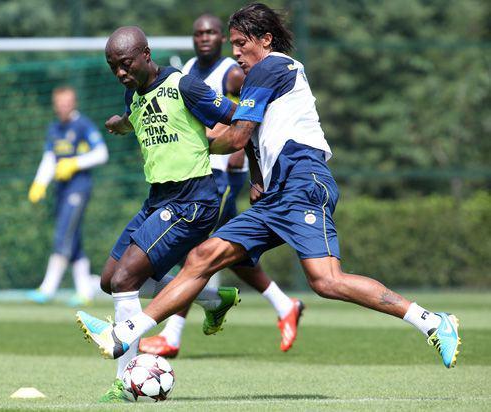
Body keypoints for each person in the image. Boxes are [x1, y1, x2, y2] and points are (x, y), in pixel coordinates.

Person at [78, 4, 461, 370]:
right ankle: (126, 333)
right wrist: (258, 177)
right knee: (202, 258)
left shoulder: (270, 67)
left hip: (304, 183)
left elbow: (238, 135)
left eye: (241, 43)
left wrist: (185, 143)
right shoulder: (261, 74)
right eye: (233, 44)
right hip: (278, 193)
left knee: (326, 281)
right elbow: (252, 135)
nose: (235, 53)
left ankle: (431, 321)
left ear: (265, 40)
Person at [76, 26, 242, 402]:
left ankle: (124, 385)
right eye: (113, 67)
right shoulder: (133, 92)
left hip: (192, 200)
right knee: (109, 280)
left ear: (146, 55)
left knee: (126, 280)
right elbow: (138, 116)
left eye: (125, 64)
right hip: (158, 199)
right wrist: (122, 123)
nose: (120, 72)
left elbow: (236, 116)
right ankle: (213, 299)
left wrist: (245, 160)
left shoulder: (185, 85)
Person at [139, 13, 304, 359]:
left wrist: (249, 166)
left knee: (194, 250)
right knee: (225, 251)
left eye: (212, 33)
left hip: (223, 175)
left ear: (221, 39)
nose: (204, 38)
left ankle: (172, 334)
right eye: (199, 33)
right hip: (197, 173)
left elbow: (249, 120)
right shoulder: (186, 70)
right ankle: (283, 304)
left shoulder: (233, 72)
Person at [27, 87, 109, 307]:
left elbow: (102, 154)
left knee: (63, 234)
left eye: (67, 102)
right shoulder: (54, 128)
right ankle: (85, 292)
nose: (63, 107)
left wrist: (75, 163)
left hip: (79, 188)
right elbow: (49, 158)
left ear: (74, 103)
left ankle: (48, 288)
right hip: (61, 190)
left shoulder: (83, 125)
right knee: (74, 240)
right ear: (55, 105)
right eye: (59, 103)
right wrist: (39, 183)